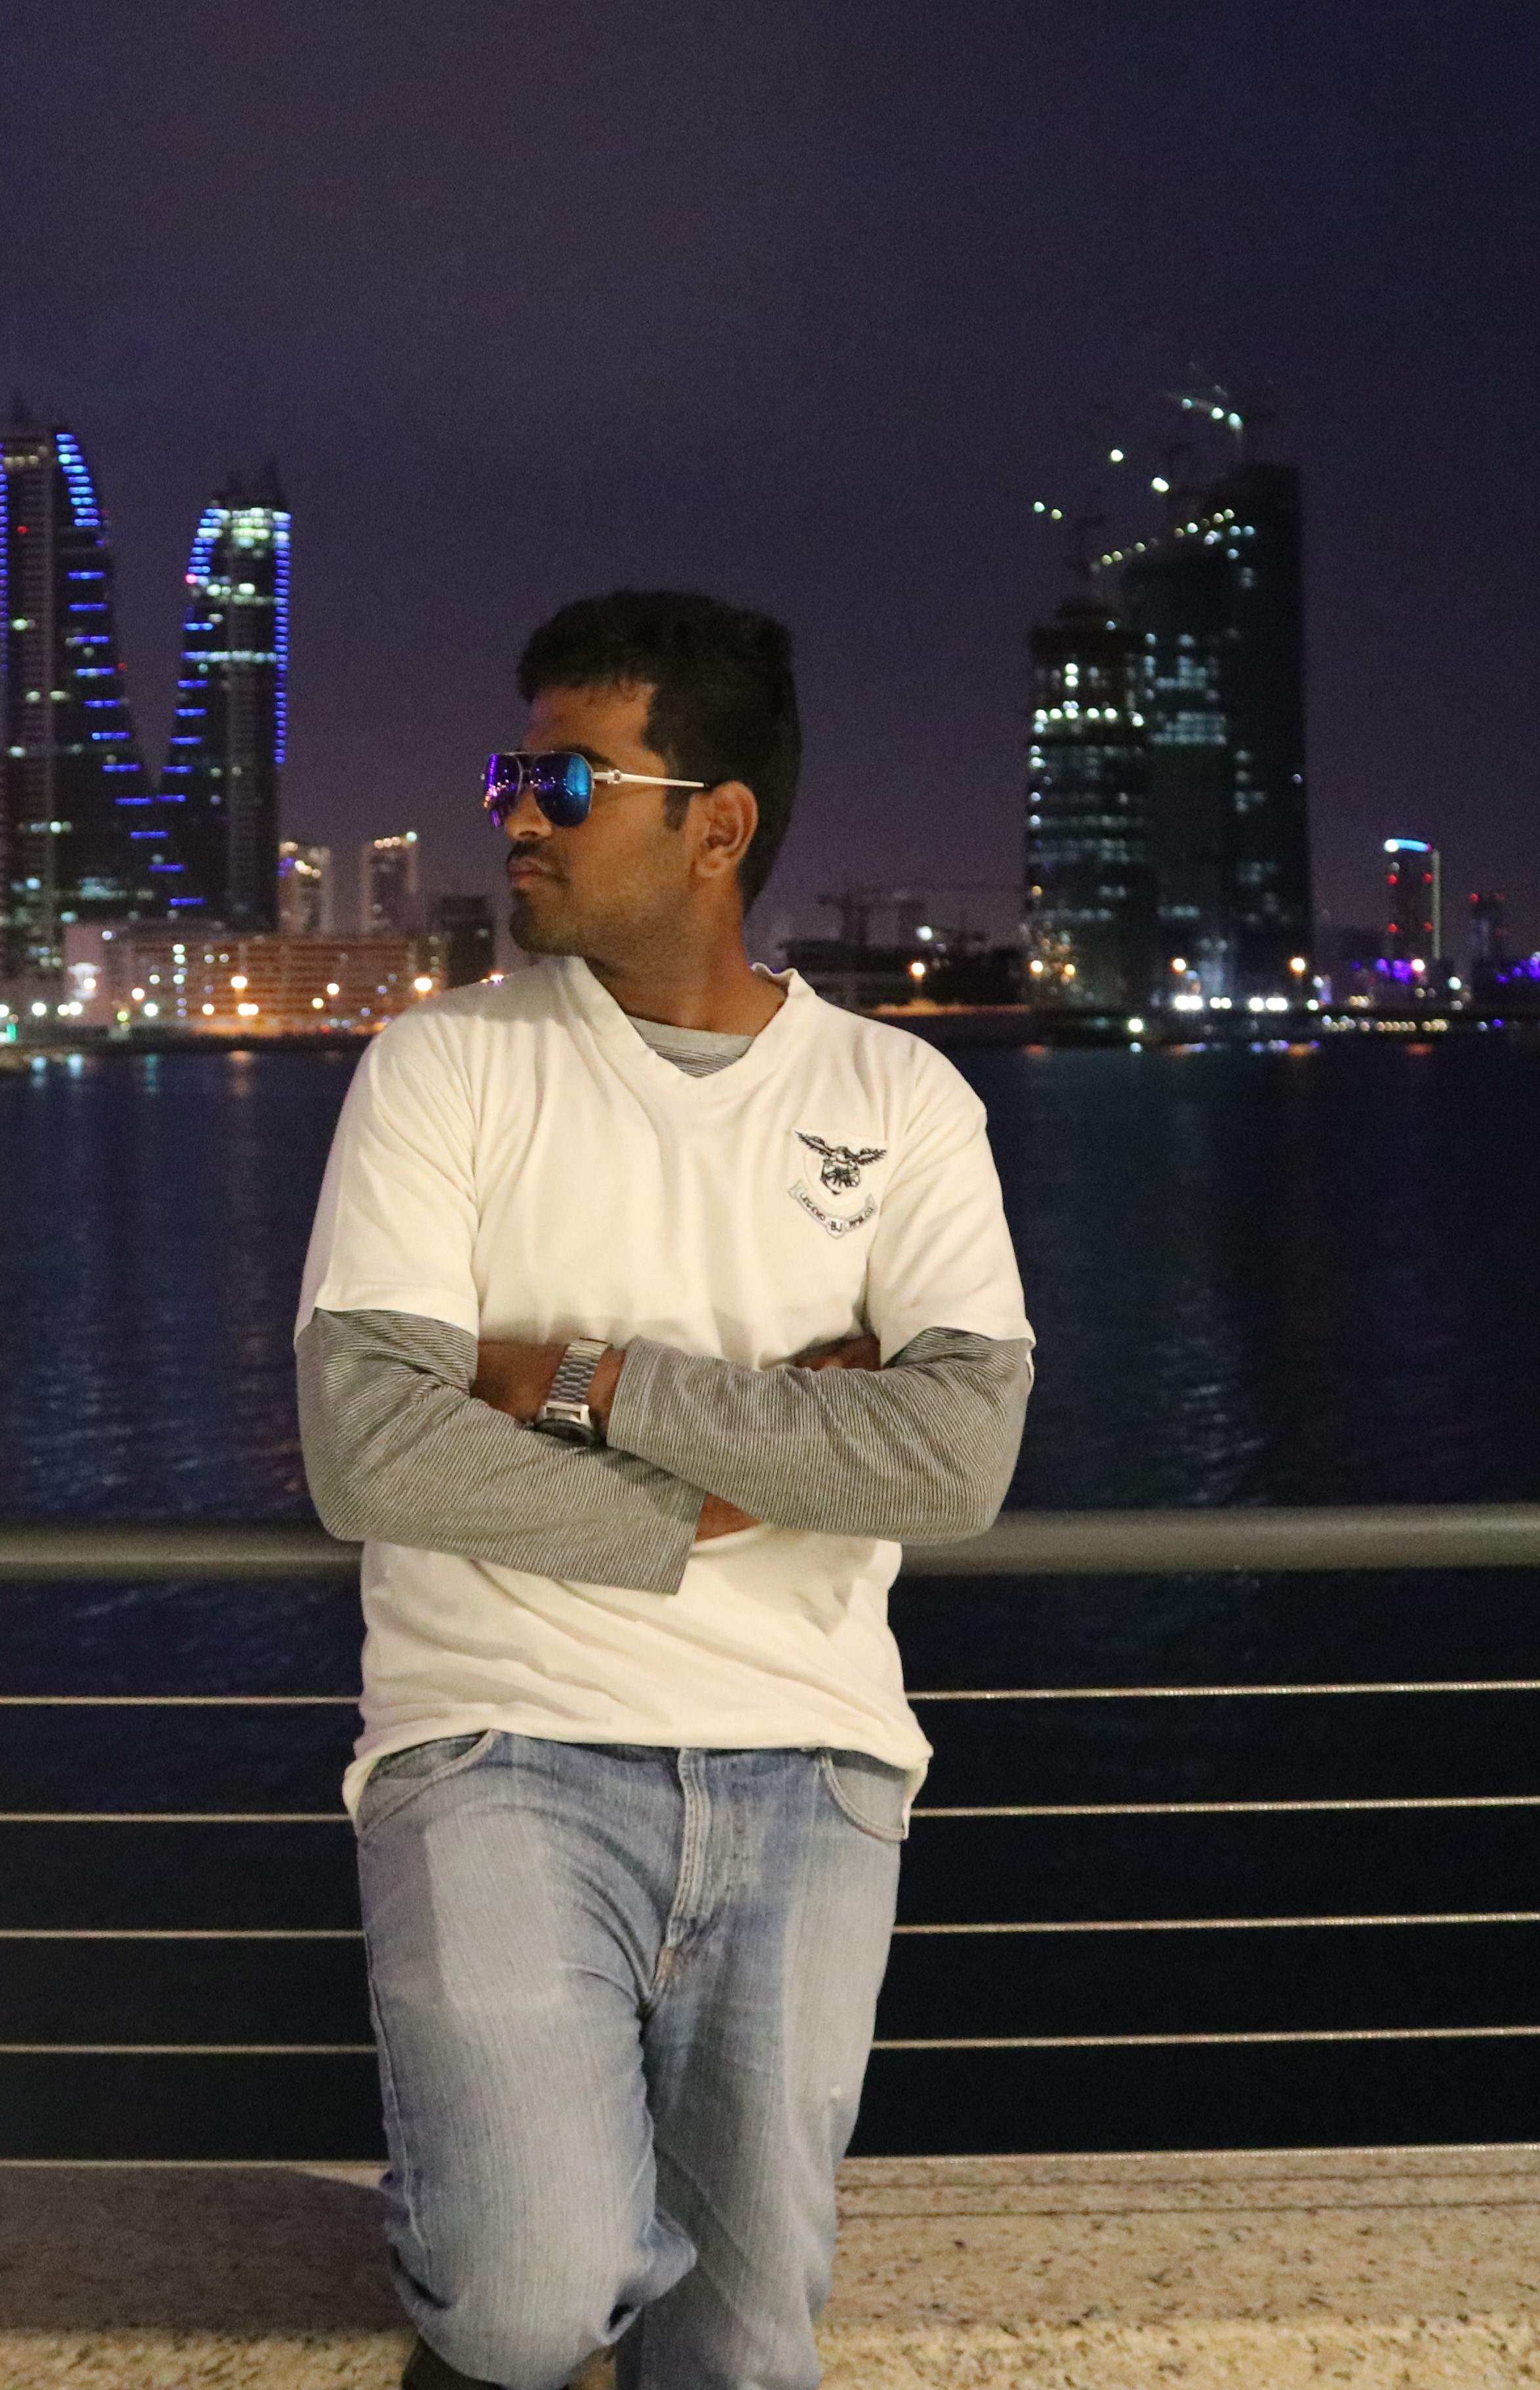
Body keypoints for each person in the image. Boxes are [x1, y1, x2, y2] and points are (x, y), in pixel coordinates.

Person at [296, 589, 1031, 2390]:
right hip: (498, 1736)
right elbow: (370, 1443)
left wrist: (582, 1381)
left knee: (741, 2348)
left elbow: (953, 1457)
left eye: (565, 780)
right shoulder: (444, 1067)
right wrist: (725, 1493)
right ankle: (489, 2239)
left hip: (811, 1753)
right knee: (527, 2298)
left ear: (717, 825)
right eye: (510, 775)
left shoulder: (901, 1096)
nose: (514, 815)